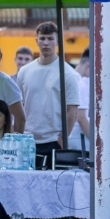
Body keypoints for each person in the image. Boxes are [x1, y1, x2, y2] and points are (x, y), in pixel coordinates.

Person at [15, 19, 90, 165]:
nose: (46, 43)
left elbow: (72, 111)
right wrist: (18, 135)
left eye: (50, 38)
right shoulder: (24, 72)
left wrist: (63, 138)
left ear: (57, 42)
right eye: (42, 38)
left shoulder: (68, 73)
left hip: (54, 141)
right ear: (36, 41)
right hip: (27, 140)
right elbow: (19, 107)